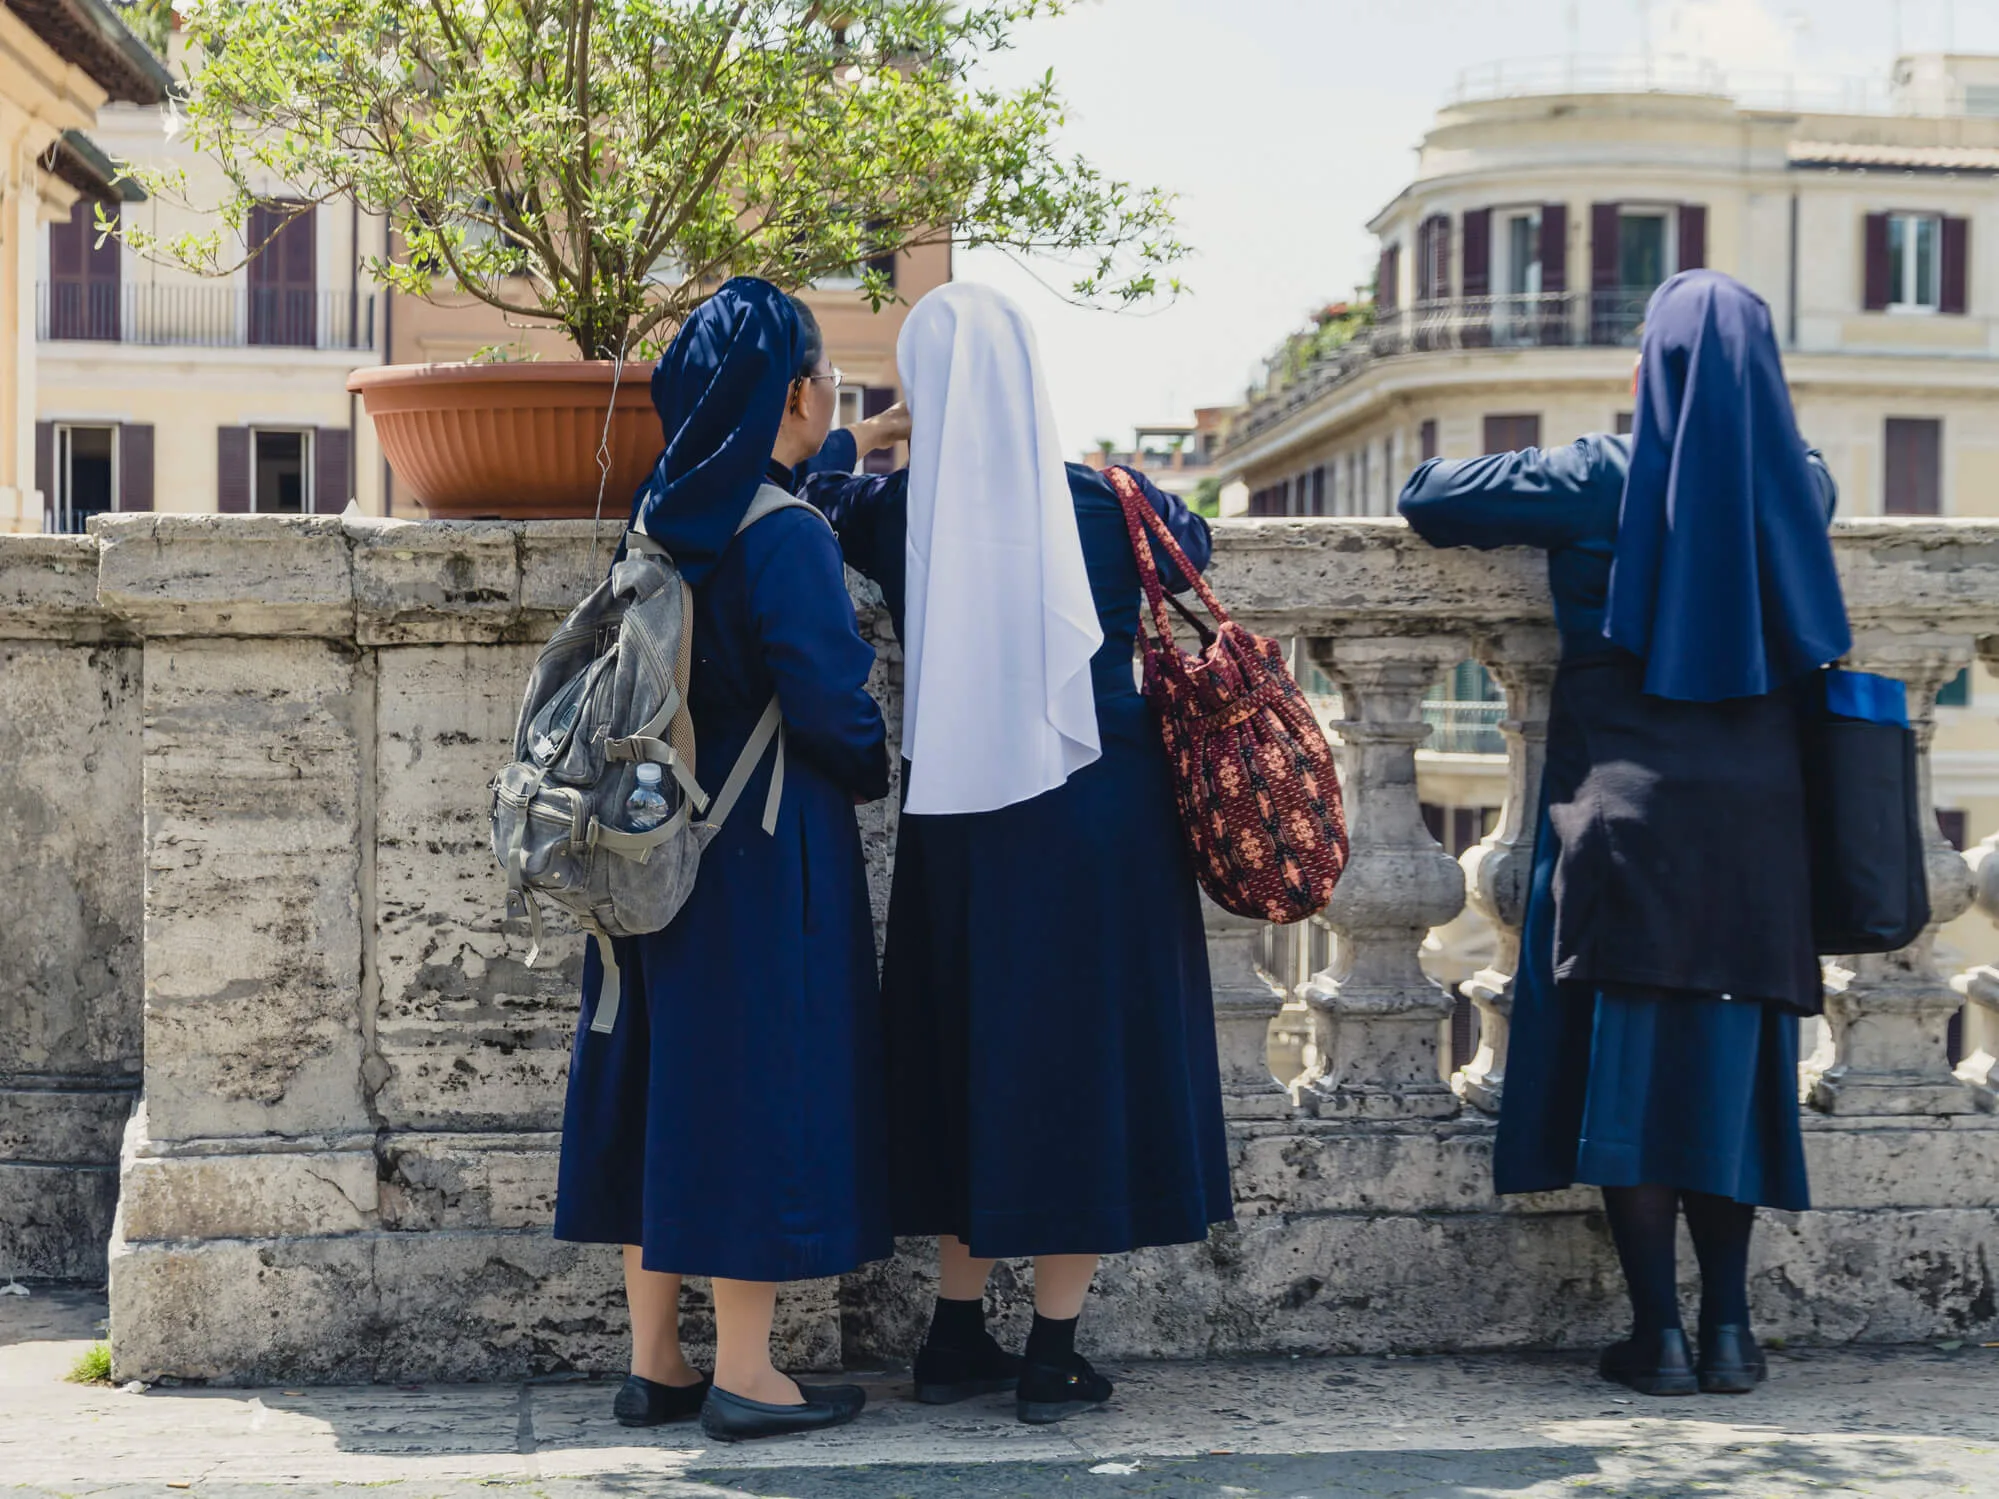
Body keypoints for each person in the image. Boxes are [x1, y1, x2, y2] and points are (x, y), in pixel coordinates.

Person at [1397, 270, 1850, 1397]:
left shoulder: (1598, 473)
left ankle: (1653, 1335)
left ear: (1653, 363)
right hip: (1757, 832)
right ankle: (1732, 1333)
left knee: (1630, 1071)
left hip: (1623, 816)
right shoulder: (1802, 482)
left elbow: (1428, 493)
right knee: (1735, 1074)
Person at [802, 282, 1234, 1426]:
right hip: (1103, 827)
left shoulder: (895, 512)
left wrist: (874, 432)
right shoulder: (1111, 498)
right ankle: (1051, 1349)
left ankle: (953, 1332)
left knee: (968, 1051)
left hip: (964, 824)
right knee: (1081, 1065)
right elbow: (1192, 543)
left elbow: (806, 483)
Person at [552, 278, 893, 1443]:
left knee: (658, 1087)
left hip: (645, 852)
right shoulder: (786, 534)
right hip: (757, 853)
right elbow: (831, 705)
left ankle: (657, 1360)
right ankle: (748, 1370)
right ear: (795, 390)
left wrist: (847, 444)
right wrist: (874, 758)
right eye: (826, 377)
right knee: (755, 1092)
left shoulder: (658, 513)